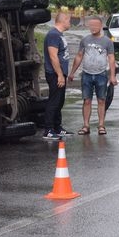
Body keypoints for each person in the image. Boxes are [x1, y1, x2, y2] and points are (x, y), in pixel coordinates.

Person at [67, 15, 117, 135]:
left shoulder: (107, 41)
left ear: (100, 26)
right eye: (91, 25)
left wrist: (112, 76)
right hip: (86, 74)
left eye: (96, 25)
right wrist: (72, 72)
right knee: (87, 101)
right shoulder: (85, 40)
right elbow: (79, 56)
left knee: (101, 100)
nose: (93, 27)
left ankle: (101, 125)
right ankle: (86, 126)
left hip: (101, 74)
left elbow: (111, 59)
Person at [42, 11, 72, 141]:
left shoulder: (59, 35)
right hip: (54, 74)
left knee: (60, 101)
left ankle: (57, 127)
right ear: (63, 20)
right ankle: (48, 130)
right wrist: (59, 75)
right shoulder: (53, 35)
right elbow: (53, 56)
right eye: (69, 20)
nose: (70, 23)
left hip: (60, 74)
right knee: (54, 101)